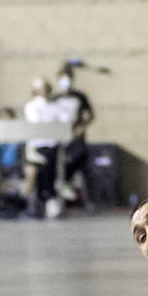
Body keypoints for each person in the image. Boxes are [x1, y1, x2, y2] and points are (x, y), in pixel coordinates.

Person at [53, 64, 95, 203]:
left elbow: (90, 114)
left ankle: (67, 181)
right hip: (59, 135)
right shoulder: (55, 98)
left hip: (75, 134)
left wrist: (82, 127)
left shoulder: (80, 96)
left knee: (80, 154)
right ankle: (61, 184)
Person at [23, 77, 64, 217]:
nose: (44, 92)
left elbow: (63, 121)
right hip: (37, 145)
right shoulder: (31, 106)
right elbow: (38, 124)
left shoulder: (55, 106)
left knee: (53, 157)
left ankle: (49, 195)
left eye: (46, 88)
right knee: (44, 160)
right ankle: (46, 195)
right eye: (41, 89)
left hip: (52, 144)